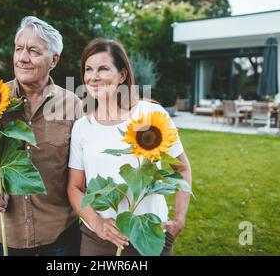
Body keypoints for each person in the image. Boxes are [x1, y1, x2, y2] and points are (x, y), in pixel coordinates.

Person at [0, 16, 82, 256]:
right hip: (9, 235)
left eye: (33, 51)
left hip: (61, 235)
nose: (22, 58)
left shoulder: (72, 104)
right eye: (19, 49)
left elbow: (84, 166)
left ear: (54, 60)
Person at [67, 38, 192, 256]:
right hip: (99, 242)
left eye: (103, 69)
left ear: (122, 75)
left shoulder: (151, 115)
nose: (93, 77)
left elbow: (182, 168)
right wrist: (97, 224)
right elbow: (75, 187)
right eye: (88, 69)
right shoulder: (82, 126)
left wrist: (179, 219)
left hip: (150, 236)